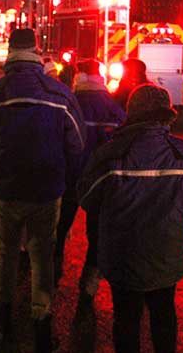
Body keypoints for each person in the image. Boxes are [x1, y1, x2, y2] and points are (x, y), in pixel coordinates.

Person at [0, 28, 85, 351]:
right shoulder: (60, 94)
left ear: (9, 52)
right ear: (35, 51)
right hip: (47, 190)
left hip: (5, 189)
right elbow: (76, 145)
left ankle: (3, 318)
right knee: (42, 253)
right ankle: (41, 322)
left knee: (5, 252)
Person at [78, 83, 183, 353]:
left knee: (126, 320)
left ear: (131, 113)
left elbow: (88, 199)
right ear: (167, 115)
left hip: (123, 257)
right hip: (166, 257)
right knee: (164, 316)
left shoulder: (109, 155)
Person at [54, 60, 126, 308]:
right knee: (96, 236)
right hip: (101, 184)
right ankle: (89, 285)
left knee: (59, 229)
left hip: (70, 178)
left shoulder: (69, 105)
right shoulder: (115, 110)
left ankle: (52, 275)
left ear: (79, 78)